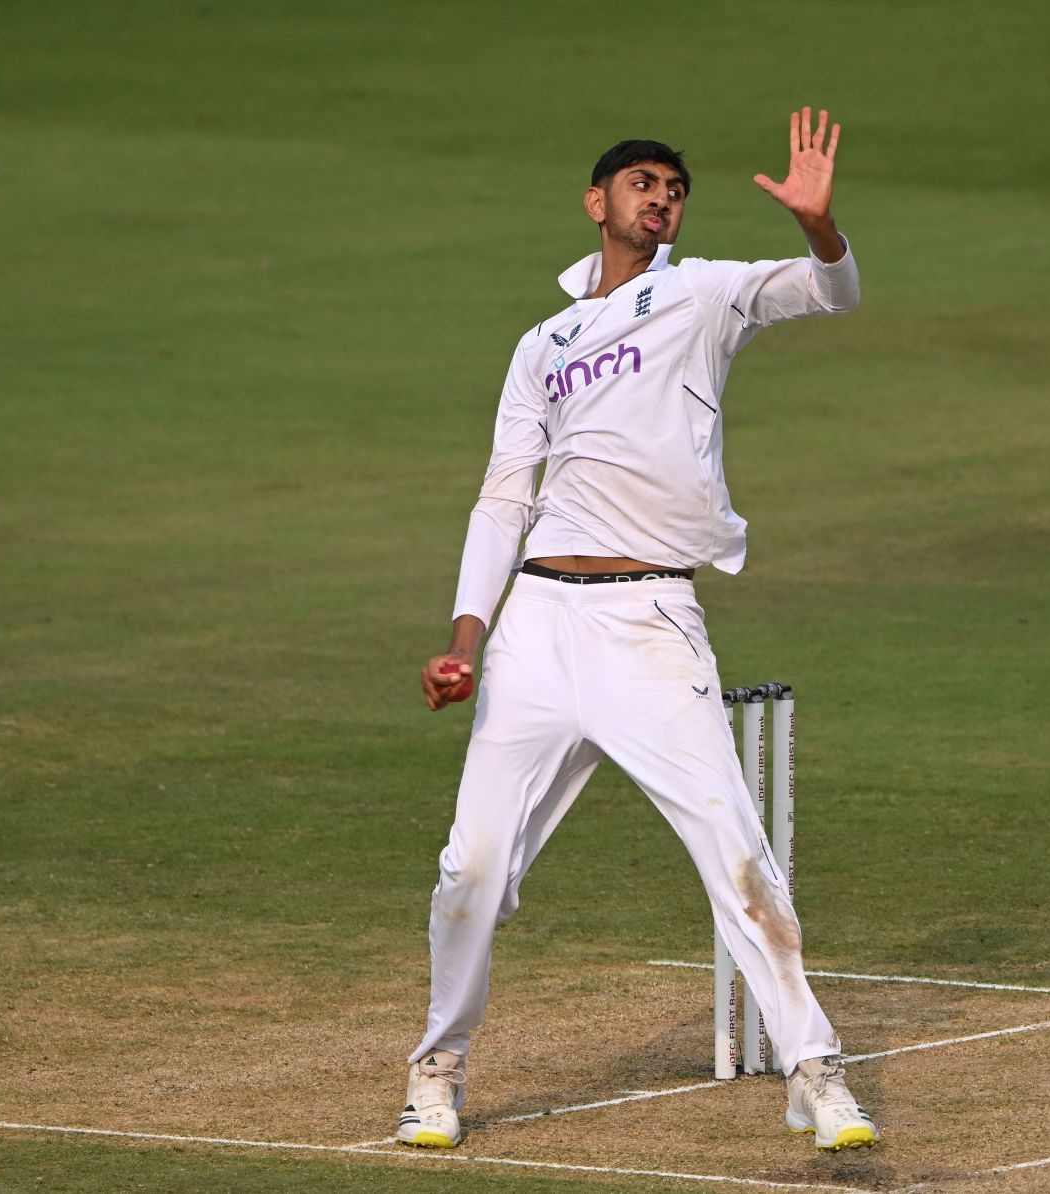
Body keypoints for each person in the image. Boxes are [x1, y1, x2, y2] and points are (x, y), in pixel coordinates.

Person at [401, 109, 875, 1153]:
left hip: (650, 618)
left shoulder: (701, 291)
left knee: (735, 847)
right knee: (472, 868)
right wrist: (467, 641)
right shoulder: (543, 344)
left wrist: (821, 227)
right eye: (642, 183)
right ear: (598, 201)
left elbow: (832, 294)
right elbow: (501, 499)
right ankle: (437, 1069)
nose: (660, 198)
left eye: (673, 189)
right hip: (537, 629)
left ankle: (814, 1070)